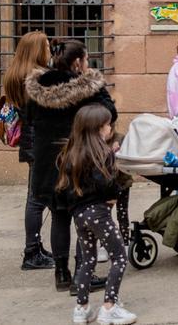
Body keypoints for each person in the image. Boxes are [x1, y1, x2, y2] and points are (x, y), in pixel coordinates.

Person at [25, 40, 117, 293]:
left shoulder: (37, 88)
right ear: (78, 62)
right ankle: (81, 275)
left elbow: (29, 118)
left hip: (46, 160)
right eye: (85, 60)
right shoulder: (88, 87)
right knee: (82, 216)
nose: (87, 65)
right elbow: (109, 113)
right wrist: (94, 83)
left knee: (58, 215)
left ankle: (61, 274)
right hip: (77, 160)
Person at [57, 104, 135, 325]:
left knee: (88, 259)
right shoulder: (103, 155)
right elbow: (108, 185)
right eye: (107, 124)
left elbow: (64, 189)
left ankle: (81, 309)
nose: (110, 128)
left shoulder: (70, 154)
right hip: (99, 213)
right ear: (98, 129)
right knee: (119, 256)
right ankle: (110, 306)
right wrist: (115, 193)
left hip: (79, 216)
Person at [4, 31, 55, 271]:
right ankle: (31, 252)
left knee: (34, 197)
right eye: (46, 46)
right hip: (41, 143)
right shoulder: (38, 77)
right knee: (36, 200)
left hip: (30, 142)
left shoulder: (16, 75)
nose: (50, 50)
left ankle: (35, 247)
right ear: (36, 50)